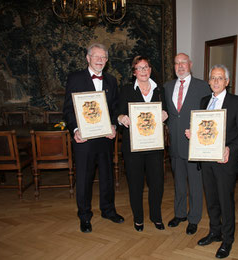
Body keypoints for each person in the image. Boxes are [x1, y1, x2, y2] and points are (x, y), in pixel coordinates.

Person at [187, 65, 238, 258]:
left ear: (227, 82)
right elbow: (204, 129)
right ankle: (214, 232)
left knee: (225, 202)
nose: (216, 81)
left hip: (225, 162)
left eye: (220, 78)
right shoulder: (204, 100)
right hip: (206, 160)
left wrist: (229, 148)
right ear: (209, 81)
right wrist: (194, 134)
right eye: (213, 78)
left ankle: (227, 240)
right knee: (212, 200)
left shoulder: (237, 102)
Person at [63, 43, 124, 233]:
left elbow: (114, 108)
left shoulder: (112, 80)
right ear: (88, 58)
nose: (100, 60)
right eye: (96, 56)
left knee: (107, 176)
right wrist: (74, 130)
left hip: (105, 138)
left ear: (107, 60)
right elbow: (68, 109)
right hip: (84, 139)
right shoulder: (75, 78)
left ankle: (108, 210)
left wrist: (114, 125)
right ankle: (84, 216)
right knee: (84, 178)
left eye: (104, 57)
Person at [116, 56, 168, 231]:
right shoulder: (126, 90)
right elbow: (118, 113)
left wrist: (165, 114)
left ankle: (156, 216)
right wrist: (122, 118)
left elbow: (166, 110)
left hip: (154, 145)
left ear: (150, 70)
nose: (143, 71)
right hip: (133, 146)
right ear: (134, 72)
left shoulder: (159, 90)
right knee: (135, 184)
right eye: (139, 68)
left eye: (146, 67)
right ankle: (138, 218)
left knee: (157, 183)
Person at [164, 53, 211, 235]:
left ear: (190, 64)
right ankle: (180, 214)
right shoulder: (167, 87)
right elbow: (168, 113)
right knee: (179, 183)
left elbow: (209, 116)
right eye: (176, 63)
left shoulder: (202, 86)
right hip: (175, 144)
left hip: (194, 144)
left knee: (195, 184)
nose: (180, 66)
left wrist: (200, 135)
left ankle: (194, 218)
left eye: (183, 62)